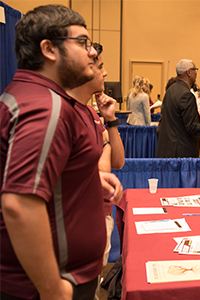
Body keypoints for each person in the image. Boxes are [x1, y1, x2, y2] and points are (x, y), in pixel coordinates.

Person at [0, 5, 122, 300]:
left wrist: (88, 180)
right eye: (82, 43)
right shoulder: (45, 107)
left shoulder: (40, 98)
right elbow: (20, 203)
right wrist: (53, 289)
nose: (93, 53)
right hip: (50, 284)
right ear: (49, 49)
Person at [67, 42, 125, 300]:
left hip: (101, 214)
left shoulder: (92, 113)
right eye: (100, 67)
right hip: (82, 219)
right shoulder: (68, 113)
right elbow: (103, 170)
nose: (105, 73)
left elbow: (119, 162)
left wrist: (109, 120)